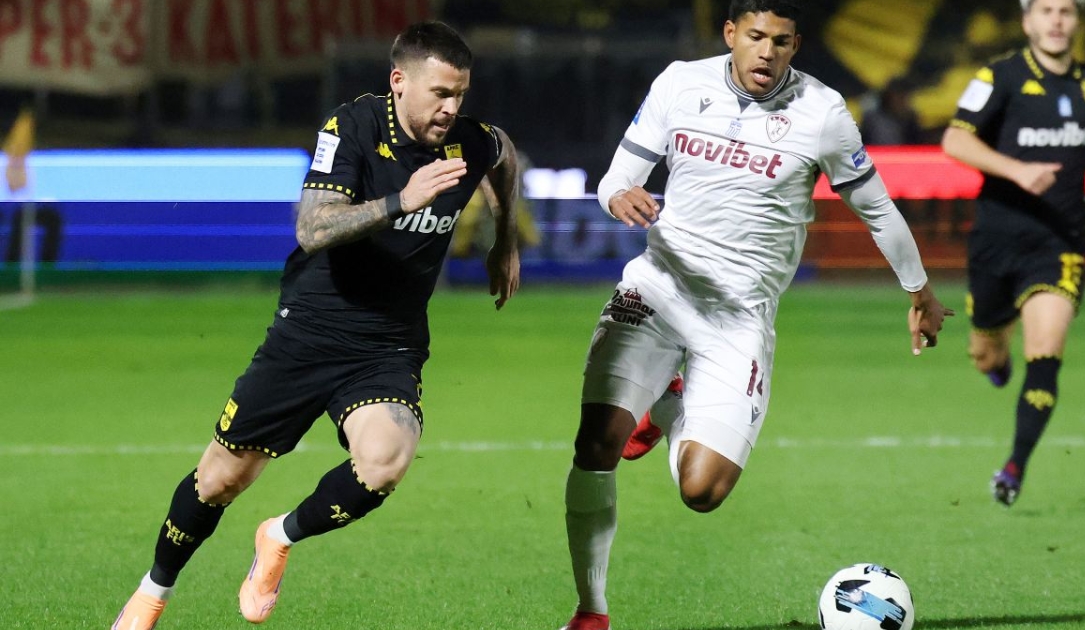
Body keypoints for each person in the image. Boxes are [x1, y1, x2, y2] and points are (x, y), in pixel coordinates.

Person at [112, 21, 522, 629]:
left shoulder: (468, 140)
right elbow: (312, 228)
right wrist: (399, 202)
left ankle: (278, 536)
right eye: (440, 93)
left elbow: (503, 153)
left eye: (460, 94)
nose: (451, 108)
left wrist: (504, 240)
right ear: (399, 81)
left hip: (388, 344)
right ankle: (153, 592)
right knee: (220, 481)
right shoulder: (351, 127)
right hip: (309, 331)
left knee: (384, 462)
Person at [558, 2, 953, 629]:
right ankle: (591, 611)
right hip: (657, 290)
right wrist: (618, 196)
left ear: (797, 45)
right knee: (595, 442)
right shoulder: (679, 83)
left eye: (783, 41)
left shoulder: (823, 113)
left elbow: (877, 208)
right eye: (756, 36)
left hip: (738, 319)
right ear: (731, 34)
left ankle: (669, 407)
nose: (768, 52)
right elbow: (615, 178)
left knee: (702, 492)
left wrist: (920, 292)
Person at [941, 0, 1085, 507]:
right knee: (985, 355)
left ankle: (1014, 468)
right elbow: (954, 140)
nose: (1056, 20)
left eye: (1066, 11)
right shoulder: (1000, 76)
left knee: (1046, 355)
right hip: (997, 241)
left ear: (1078, 20)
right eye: (1046, 11)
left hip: (1059, 243)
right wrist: (1018, 171)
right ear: (1027, 21)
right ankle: (996, 358)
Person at [861, 78, 925, 146]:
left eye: (904, 97)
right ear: (888, 97)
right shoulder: (873, 119)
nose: (901, 102)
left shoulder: (911, 120)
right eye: (898, 97)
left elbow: (915, 145)